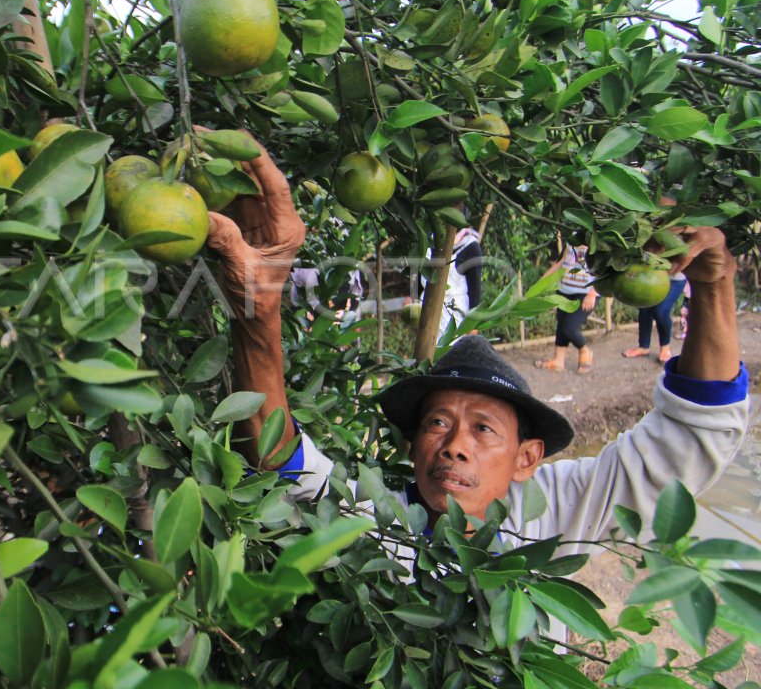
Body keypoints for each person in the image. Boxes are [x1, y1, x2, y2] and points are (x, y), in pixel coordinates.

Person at [204, 134, 748, 555]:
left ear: (527, 457)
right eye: (437, 423)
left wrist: (713, 282)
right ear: (412, 447)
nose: (454, 445)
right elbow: (279, 461)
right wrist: (259, 308)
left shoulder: (561, 508)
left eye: (483, 428)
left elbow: (690, 437)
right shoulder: (375, 517)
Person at [535, 242, 599, 374]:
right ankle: (558, 360)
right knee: (561, 324)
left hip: (585, 292)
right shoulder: (572, 237)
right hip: (564, 289)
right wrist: (542, 281)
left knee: (569, 328)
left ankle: (584, 350)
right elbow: (562, 261)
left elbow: (604, 269)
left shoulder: (597, 238)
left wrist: (593, 293)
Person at [422, 221, 482, 343]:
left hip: (455, 315)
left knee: (452, 354)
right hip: (428, 310)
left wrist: (473, 326)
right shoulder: (429, 242)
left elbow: (475, 290)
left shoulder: (470, 247)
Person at [623, 273, 687, 363]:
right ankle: (643, 347)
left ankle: (665, 347)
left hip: (675, 279)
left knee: (661, 311)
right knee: (645, 308)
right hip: (652, 276)